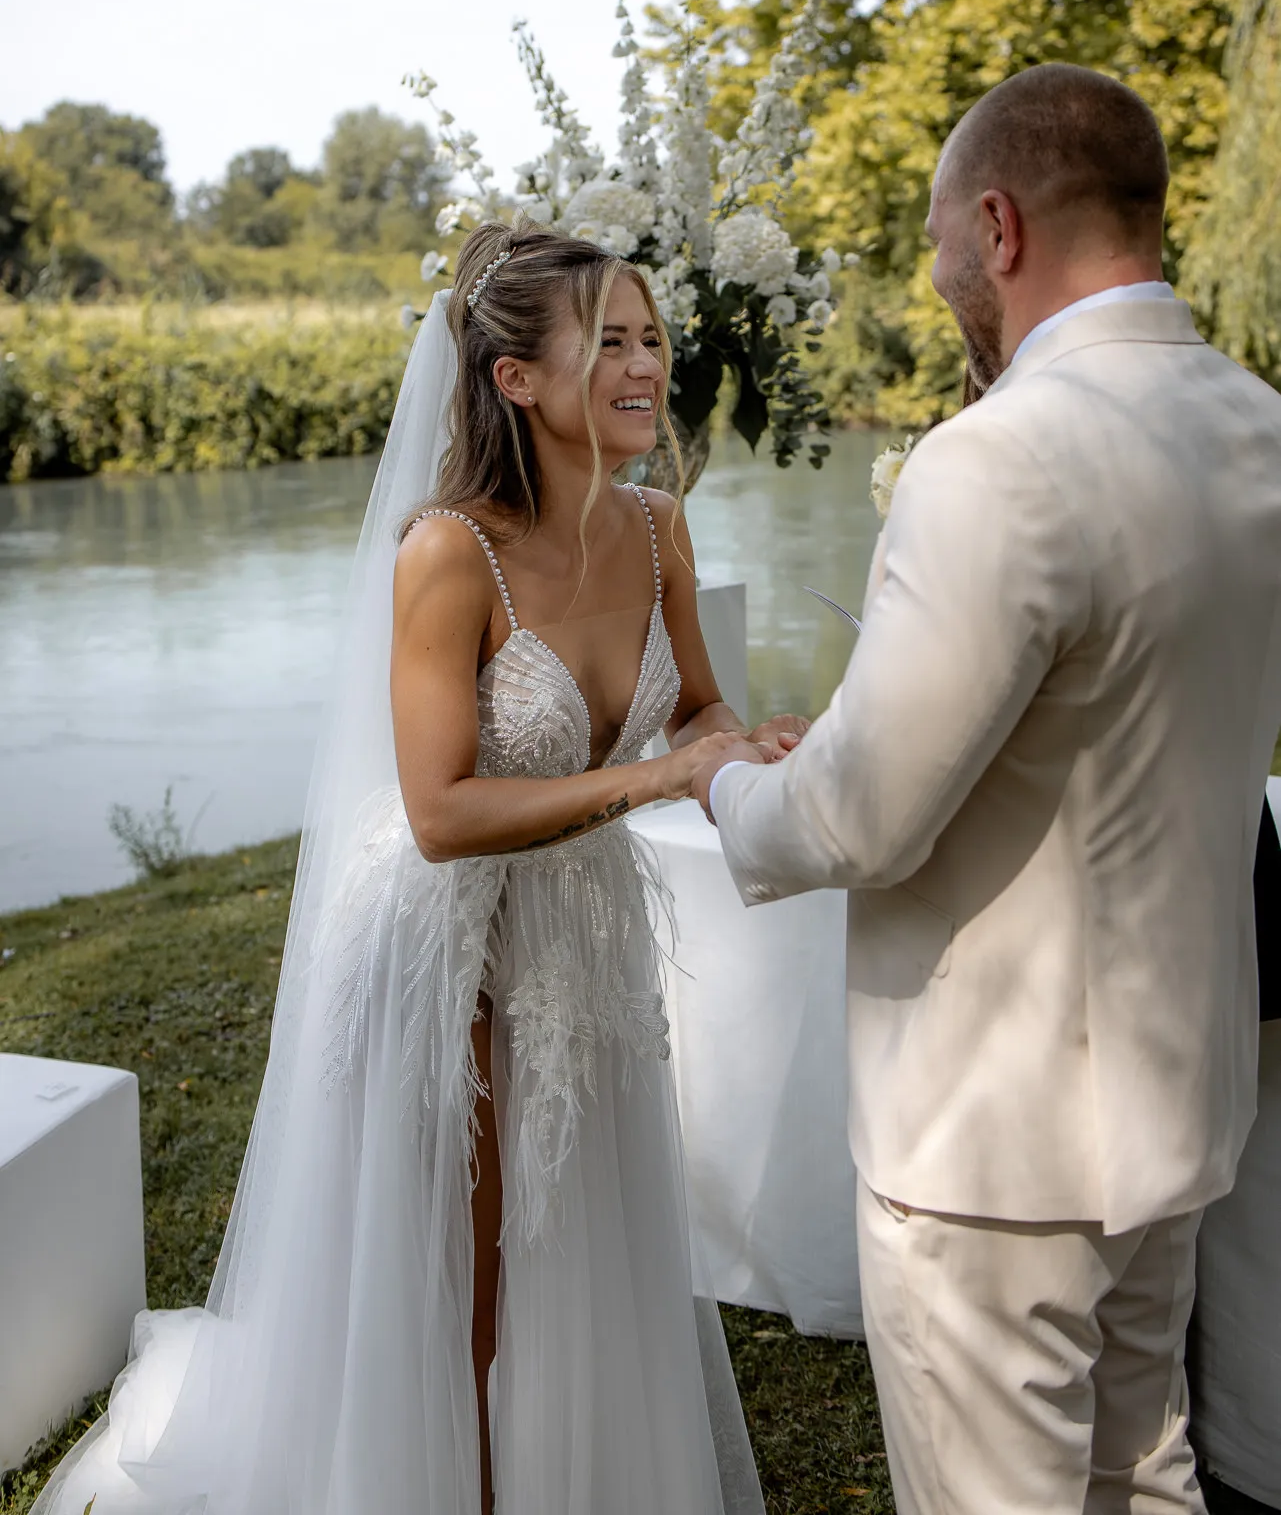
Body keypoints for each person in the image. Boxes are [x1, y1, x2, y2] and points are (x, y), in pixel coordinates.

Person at [33, 219, 800, 1515]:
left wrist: (750, 748)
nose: (645, 364)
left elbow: (696, 709)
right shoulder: (450, 551)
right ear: (516, 378)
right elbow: (439, 812)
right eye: (609, 341)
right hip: (452, 938)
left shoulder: (660, 525)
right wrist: (660, 781)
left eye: (652, 337)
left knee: (583, 1232)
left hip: (583, 922)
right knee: (473, 1283)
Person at [692, 63, 1281, 1515]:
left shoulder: (996, 459)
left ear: (1001, 228)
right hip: (1176, 1102)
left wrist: (720, 787)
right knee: (1143, 1474)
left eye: (941, 238)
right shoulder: (1258, 426)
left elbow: (859, 815)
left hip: (991, 1141)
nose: (937, 271)